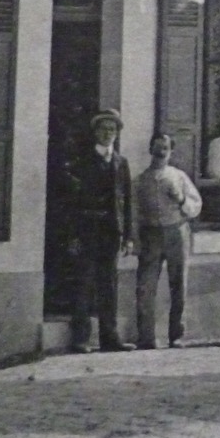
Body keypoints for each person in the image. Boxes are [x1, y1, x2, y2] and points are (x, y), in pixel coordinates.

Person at [66, 109, 135, 353]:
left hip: (111, 230)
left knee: (109, 284)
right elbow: (71, 201)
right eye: (104, 129)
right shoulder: (81, 162)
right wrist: (73, 235)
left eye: (112, 130)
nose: (108, 134)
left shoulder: (120, 163)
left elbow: (126, 202)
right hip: (87, 228)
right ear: (95, 132)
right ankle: (81, 338)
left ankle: (109, 337)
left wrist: (128, 236)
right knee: (84, 282)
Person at [133, 131, 203, 349]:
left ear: (171, 151)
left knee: (178, 284)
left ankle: (177, 335)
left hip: (177, 232)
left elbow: (196, 206)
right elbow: (134, 213)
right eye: (157, 146)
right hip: (151, 234)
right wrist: (135, 237)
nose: (161, 151)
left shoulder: (179, 176)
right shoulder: (140, 180)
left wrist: (181, 199)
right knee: (145, 286)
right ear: (150, 149)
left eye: (165, 147)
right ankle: (146, 337)